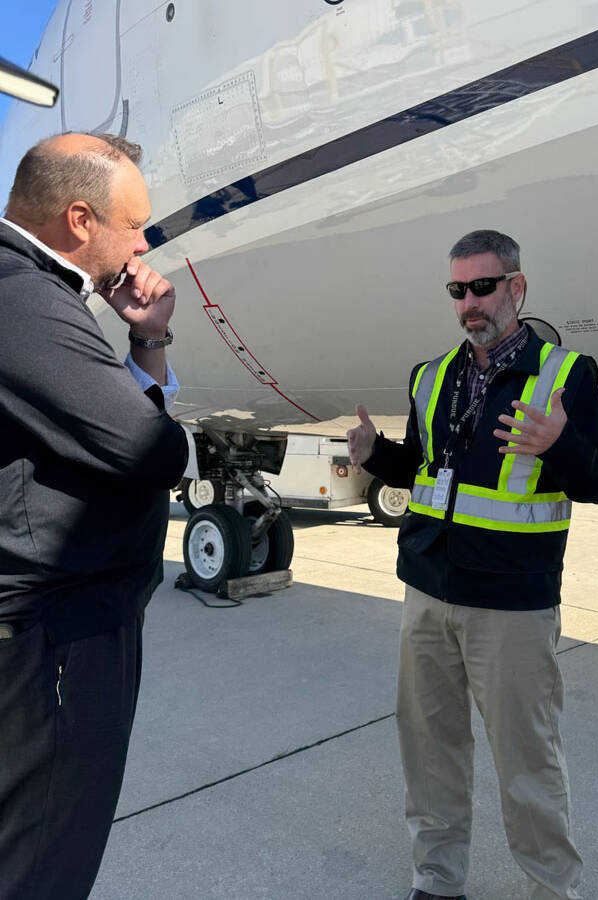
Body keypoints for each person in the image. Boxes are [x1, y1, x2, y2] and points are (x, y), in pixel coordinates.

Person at [347, 230, 598, 900]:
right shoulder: (431, 375)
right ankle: (438, 880)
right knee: (430, 751)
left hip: (512, 604)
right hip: (427, 592)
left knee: (527, 763)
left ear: (516, 288)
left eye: (483, 286)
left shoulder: (565, 375)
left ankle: (551, 888)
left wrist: (558, 443)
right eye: (458, 290)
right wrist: (375, 454)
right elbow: (423, 471)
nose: (470, 302)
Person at [0, 133, 188, 900]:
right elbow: (149, 449)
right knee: (43, 856)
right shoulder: (20, 294)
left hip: (48, 634)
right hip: (51, 646)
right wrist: (166, 430)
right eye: (134, 225)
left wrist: (147, 338)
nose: (143, 245)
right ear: (80, 219)